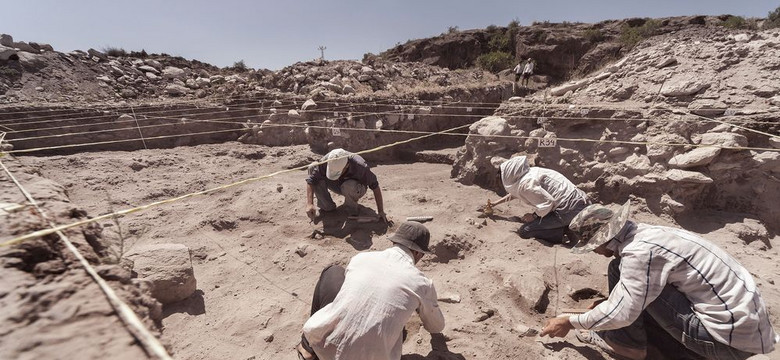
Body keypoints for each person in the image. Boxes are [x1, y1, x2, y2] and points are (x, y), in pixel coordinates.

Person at [540, 200, 778, 360]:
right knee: (619, 268)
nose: (593, 252)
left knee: (629, 290)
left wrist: (572, 322)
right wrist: (610, 302)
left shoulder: (640, 254)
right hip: (747, 329)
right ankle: (636, 336)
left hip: (728, 342)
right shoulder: (648, 234)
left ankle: (627, 345)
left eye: (591, 246)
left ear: (602, 240)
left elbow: (623, 313)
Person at [297, 221, 446, 360]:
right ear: (418, 253)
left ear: (395, 242)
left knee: (333, 272)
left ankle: (308, 348)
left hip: (326, 349)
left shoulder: (361, 258)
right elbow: (436, 326)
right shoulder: (422, 283)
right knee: (395, 326)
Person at [488, 156, 590, 244]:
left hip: (569, 209)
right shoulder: (530, 173)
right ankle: (563, 225)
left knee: (525, 231)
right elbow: (516, 193)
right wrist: (495, 203)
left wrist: (533, 216)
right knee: (540, 220)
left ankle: (563, 231)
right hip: (579, 201)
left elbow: (547, 204)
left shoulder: (526, 184)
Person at [305, 148, 387, 222]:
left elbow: (375, 187)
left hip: (356, 188)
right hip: (337, 184)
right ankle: (327, 206)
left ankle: (351, 209)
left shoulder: (360, 166)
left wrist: (381, 211)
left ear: (347, 165)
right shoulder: (328, 160)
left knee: (349, 185)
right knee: (313, 167)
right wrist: (310, 203)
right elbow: (311, 180)